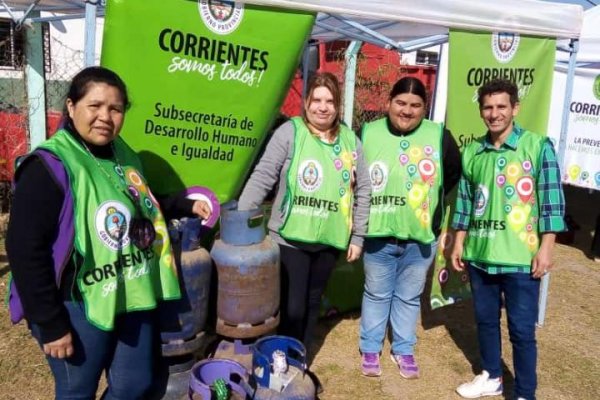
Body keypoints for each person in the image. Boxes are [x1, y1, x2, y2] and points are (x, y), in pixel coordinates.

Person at [6, 66, 212, 400]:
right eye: (95, 106)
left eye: (115, 109)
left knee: (135, 384)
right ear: (71, 107)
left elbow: (138, 199)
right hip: (77, 303)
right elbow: (24, 249)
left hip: (130, 292)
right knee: (78, 391)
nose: (105, 116)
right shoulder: (49, 165)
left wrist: (183, 205)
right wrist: (52, 323)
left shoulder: (123, 153)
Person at [238, 71, 371, 356]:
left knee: (312, 301)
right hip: (290, 238)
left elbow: (364, 190)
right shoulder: (289, 132)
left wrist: (358, 236)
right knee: (292, 305)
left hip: (328, 239)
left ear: (338, 106)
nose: (323, 107)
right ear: (307, 101)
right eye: (317, 100)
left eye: (330, 101)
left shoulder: (351, 141)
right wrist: (242, 218)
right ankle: (279, 357)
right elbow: (263, 176)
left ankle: (299, 357)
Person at [449, 79, 565, 400]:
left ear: (515, 108)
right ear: (481, 110)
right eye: (488, 107)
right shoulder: (473, 151)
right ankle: (492, 376)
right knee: (485, 321)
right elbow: (465, 201)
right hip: (481, 253)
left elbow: (551, 200)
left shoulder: (537, 146)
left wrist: (547, 245)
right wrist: (459, 241)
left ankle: (526, 392)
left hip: (520, 258)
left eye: (501, 106)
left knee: (521, 331)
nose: (494, 113)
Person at [358, 77, 461, 378]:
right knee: (376, 292)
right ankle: (370, 348)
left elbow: (452, 173)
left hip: (421, 236)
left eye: (415, 105)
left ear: (424, 108)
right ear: (389, 102)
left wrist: (430, 204)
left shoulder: (440, 136)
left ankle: (403, 349)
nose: (407, 110)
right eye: (401, 103)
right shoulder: (367, 132)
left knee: (408, 295)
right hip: (378, 233)